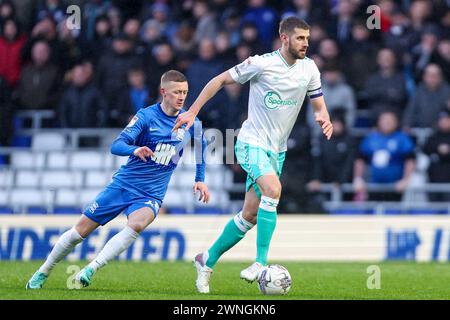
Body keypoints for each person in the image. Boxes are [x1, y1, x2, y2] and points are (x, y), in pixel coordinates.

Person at [173, 17, 333, 293]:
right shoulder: (261, 63)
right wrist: (193, 111)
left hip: (276, 151)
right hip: (250, 142)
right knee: (273, 189)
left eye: (307, 38)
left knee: (249, 215)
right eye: (300, 38)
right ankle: (260, 263)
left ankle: (206, 258)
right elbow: (220, 80)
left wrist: (324, 118)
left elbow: (318, 104)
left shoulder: (309, 69)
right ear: (284, 38)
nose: (306, 43)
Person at [26, 70, 210, 289]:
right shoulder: (146, 116)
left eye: (185, 92)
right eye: (177, 92)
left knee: (138, 224)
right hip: (124, 185)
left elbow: (202, 146)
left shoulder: (191, 122)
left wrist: (200, 178)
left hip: (151, 193)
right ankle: (44, 270)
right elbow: (116, 145)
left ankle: (90, 269)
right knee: (79, 233)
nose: (182, 97)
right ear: (163, 92)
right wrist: (134, 150)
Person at [353, 110, 416, 202]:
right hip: (373, 186)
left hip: (396, 187)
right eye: (384, 120)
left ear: (396, 122)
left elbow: (410, 160)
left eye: (390, 120)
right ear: (379, 121)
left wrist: (406, 179)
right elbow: (360, 159)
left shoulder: (402, 138)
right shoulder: (371, 138)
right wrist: (358, 178)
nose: (387, 123)